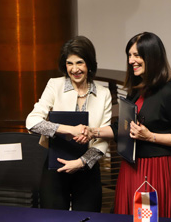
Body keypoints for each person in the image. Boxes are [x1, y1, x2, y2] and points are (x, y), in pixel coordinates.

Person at [82, 32, 171, 218]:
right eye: (129, 55)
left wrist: (149, 136)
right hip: (132, 168)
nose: (131, 60)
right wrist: (93, 132)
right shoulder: (138, 89)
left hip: (155, 171)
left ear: (152, 57)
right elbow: (123, 127)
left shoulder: (169, 94)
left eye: (137, 55)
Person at [26, 36, 112, 212]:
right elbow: (32, 122)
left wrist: (81, 162)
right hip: (55, 167)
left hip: (88, 168)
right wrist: (68, 130)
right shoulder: (54, 85)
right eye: (69, 63)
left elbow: (104, 138)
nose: (74, 69)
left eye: (79, 63)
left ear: (89, 63)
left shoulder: (104, 94)